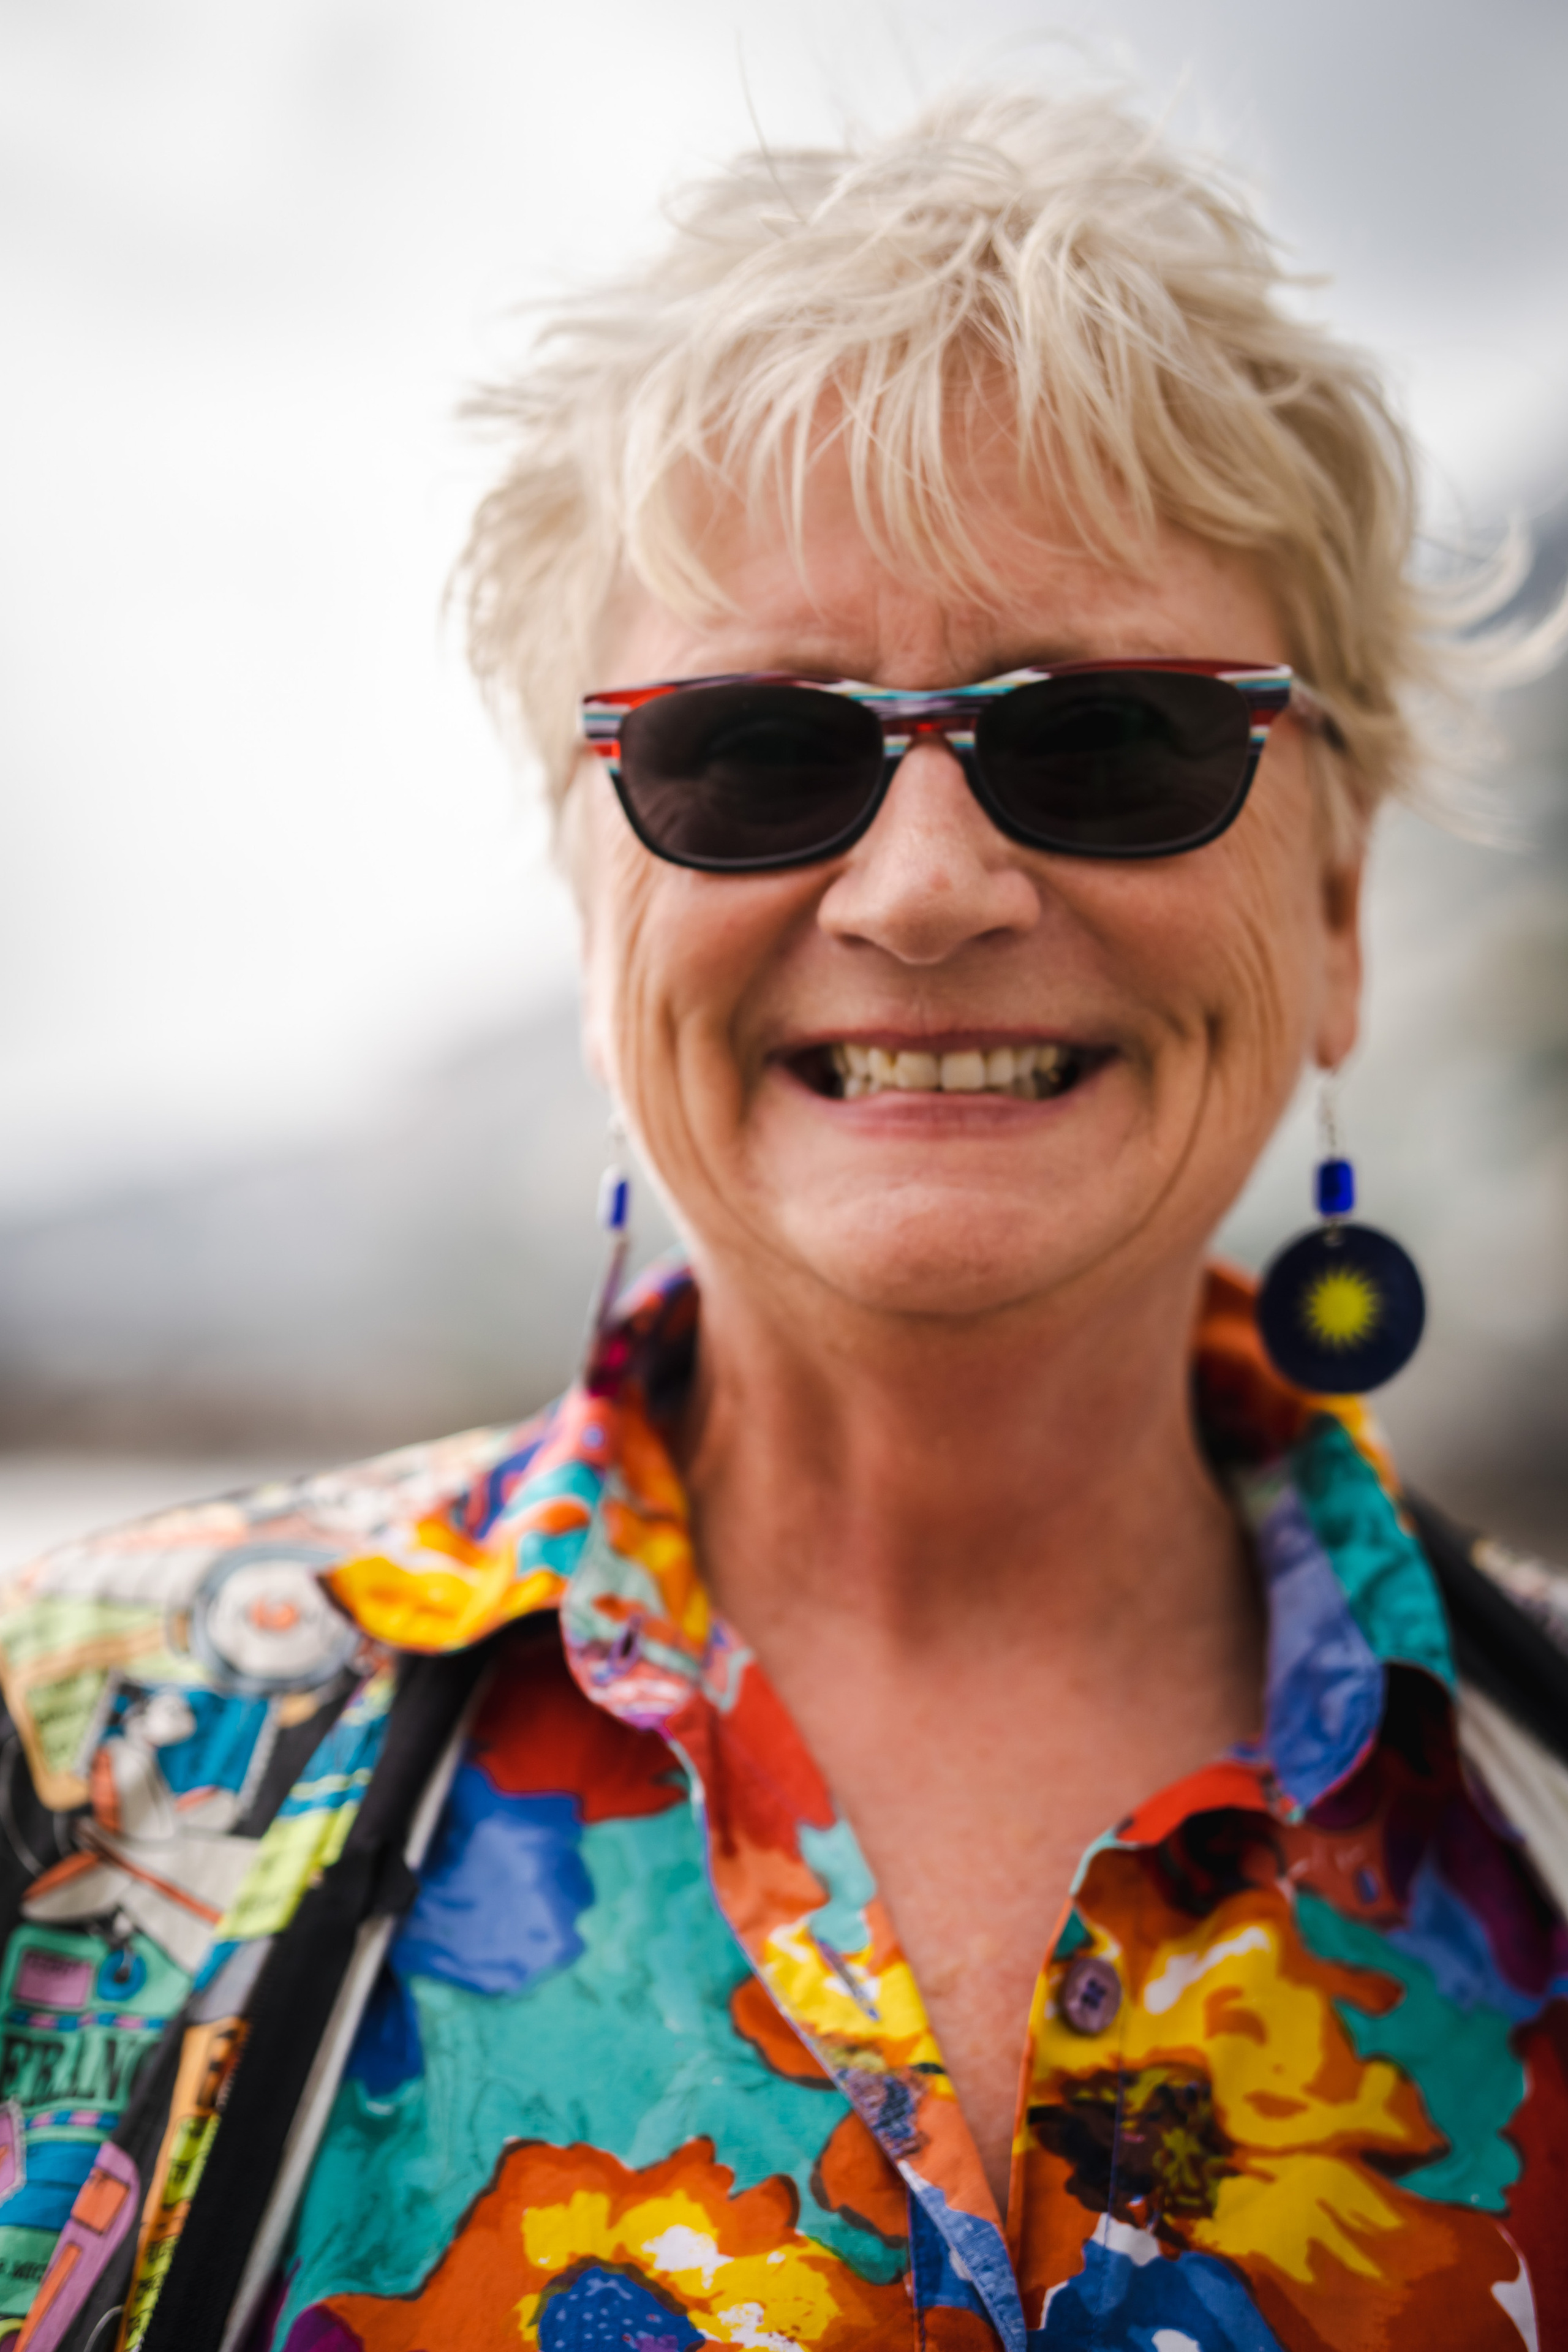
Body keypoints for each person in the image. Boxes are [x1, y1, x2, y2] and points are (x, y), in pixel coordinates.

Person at [1, 86, 1566, 2352]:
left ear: (1336, 908)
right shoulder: (74, 1759)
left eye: (1114, 741)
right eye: (751, 755)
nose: (926, 889)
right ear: (591, 905)